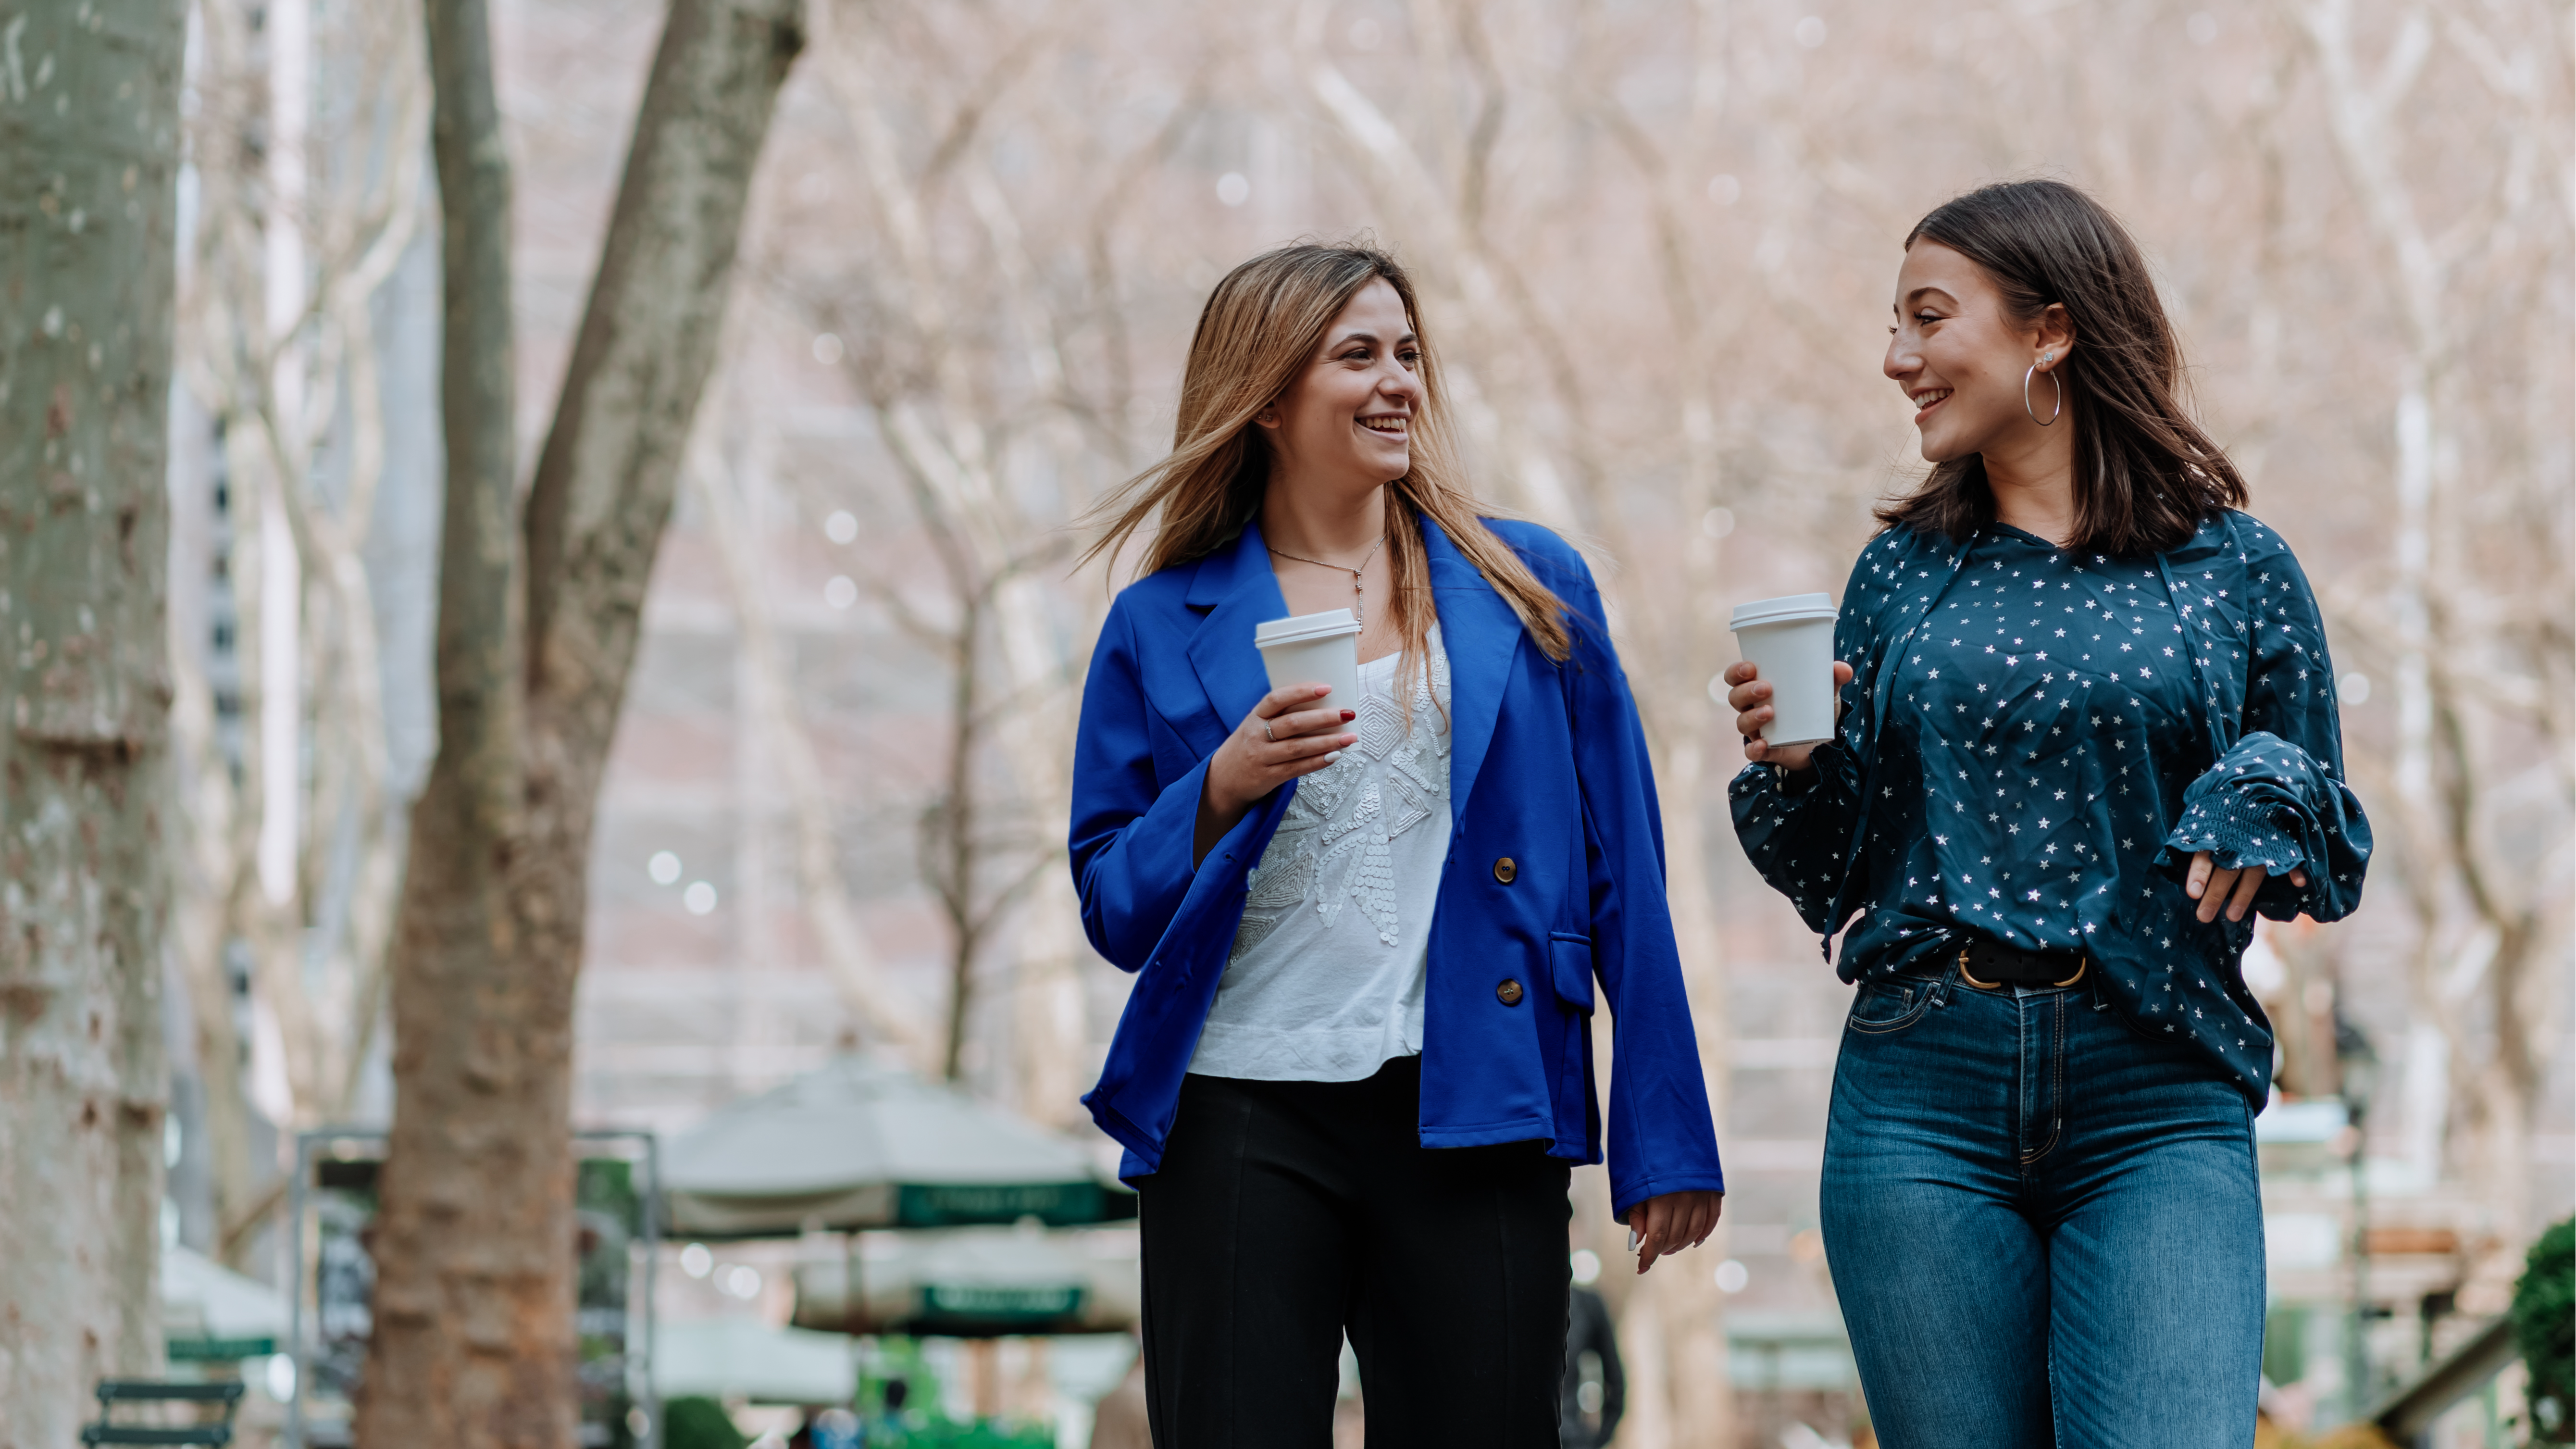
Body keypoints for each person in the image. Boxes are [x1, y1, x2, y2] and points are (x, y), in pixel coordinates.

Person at [1724, 179, 2372, 1447]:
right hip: (1920, 1085)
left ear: (2049, 331)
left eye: (1925, 317)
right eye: (1892, 323)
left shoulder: (2231, 567)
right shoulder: (1899, 574)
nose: (1893, 357)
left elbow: (2327, 845)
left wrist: (2260, 781)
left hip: (2157, 1083)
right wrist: (1797, 767)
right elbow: (1832, 870)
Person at [1070, 242, 1725, 1448]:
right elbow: (1113, 907)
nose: (1401, 383)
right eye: (1358, 355)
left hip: (1476, 1102)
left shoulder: (1525, 580)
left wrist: (1663, 1129)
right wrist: (1221, 783)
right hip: (1237, 1114)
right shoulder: (1161, 621)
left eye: (1410, 354)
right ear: (1267, 395)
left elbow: (1625, 863)